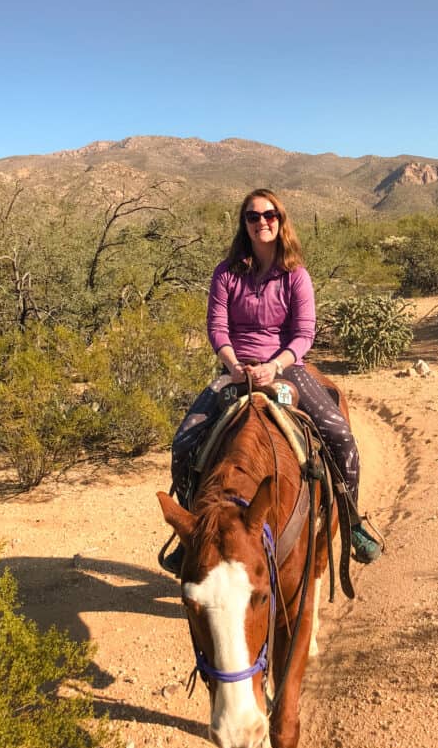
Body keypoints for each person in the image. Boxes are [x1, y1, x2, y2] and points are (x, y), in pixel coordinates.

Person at [162, 188, 381, 574]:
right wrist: (232, 364)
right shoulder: (226, 273)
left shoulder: (295, 274)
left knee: (340, 436)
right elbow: (217, 328)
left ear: (280, 221)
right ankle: (192, 536)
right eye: (252, 216)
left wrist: (276, 365)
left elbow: (304, 333)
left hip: (286, 368)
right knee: (184, 443)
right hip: (236, 369)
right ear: (243, 223)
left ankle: (351, 522)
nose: (261, 222)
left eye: (269, 215)